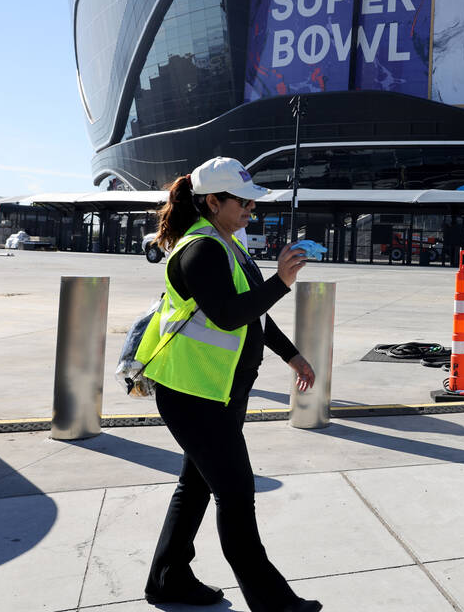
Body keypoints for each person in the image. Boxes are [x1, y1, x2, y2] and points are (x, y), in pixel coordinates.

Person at [134, 156, 321, 612]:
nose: (250, 211)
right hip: (194, 397)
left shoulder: (228, 246)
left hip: (216, 393)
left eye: (252, 203)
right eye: (243, 202)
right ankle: (274, 602)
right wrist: (281, 280)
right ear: (213, 202)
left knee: (196, 487)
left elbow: (253, 313)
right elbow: (227, 315)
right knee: (236, 495)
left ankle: (168, 579)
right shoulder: (201, 249)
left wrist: (292, 355)